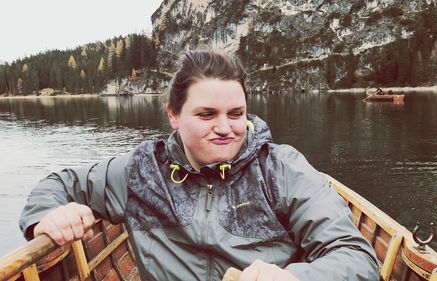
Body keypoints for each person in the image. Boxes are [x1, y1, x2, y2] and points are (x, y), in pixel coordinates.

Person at [19, 49, 379, 280]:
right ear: (174, 115)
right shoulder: (141, 171)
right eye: (207, 115)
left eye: (236, 114)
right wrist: (45, 216)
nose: (225, 128)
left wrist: (296, 279)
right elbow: (61, 183)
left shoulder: (281, 169)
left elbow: (357, 258)